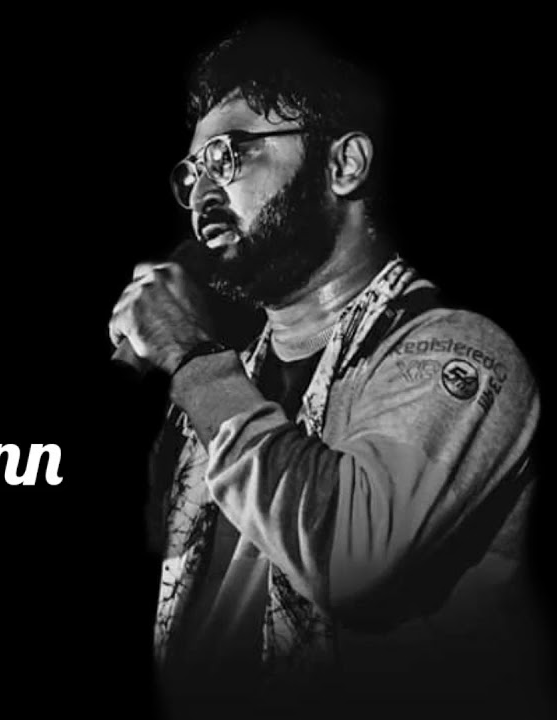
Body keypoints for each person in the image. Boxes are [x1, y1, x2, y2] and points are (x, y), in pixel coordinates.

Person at [107, 21, 547, 719]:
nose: (201, 193)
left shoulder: (457, 352)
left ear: (344, 165)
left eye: (229, 155)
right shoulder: (220, 392)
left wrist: (190, 357)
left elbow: (353, 557)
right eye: (191, 173)